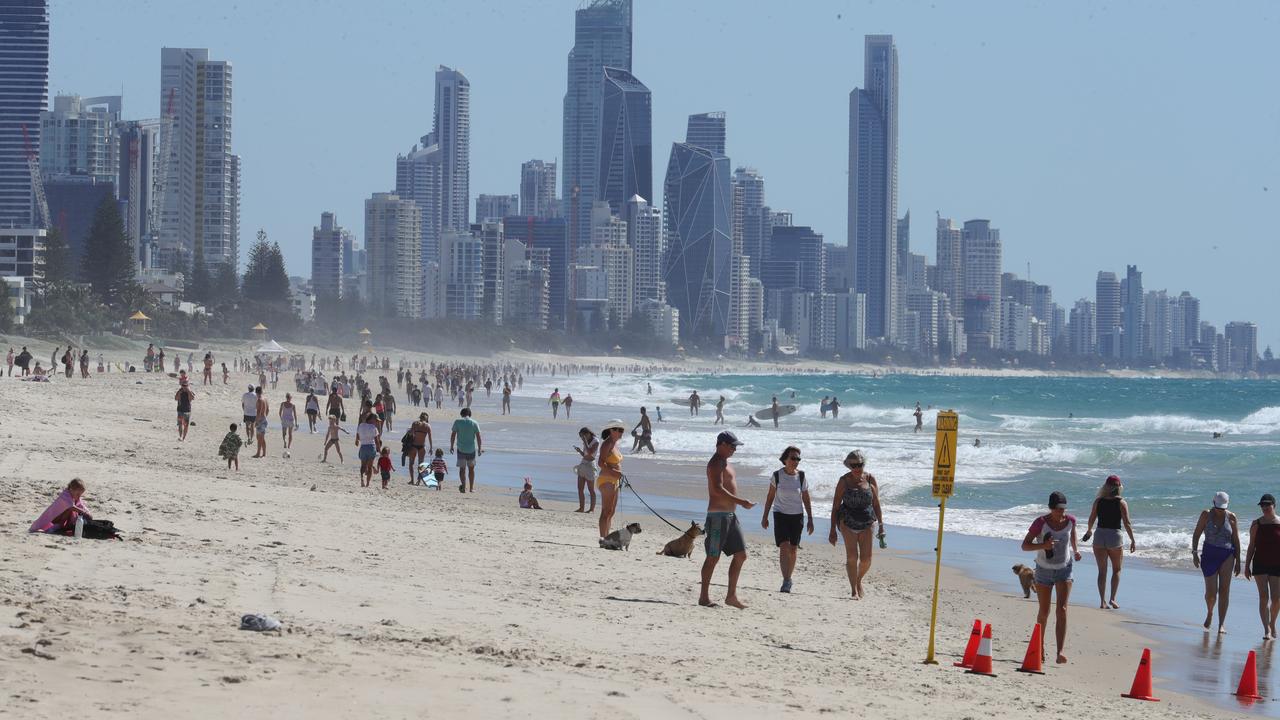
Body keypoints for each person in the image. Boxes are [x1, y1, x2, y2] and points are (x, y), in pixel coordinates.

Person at [1020, 491, 1082, 664]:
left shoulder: (1071, 521)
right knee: (1044, 612)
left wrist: (1076, 550)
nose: (1061, 513)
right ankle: (1039, 648)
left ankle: (1060, 652)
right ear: (1050, 508)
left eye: (1063, 509)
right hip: (1044, 571)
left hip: (1065, 569)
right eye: (1057, 509)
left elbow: (1072, 536)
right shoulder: (1040, 523)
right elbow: (1025, 546)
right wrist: (1044, 545)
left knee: (1061, 610)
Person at [700, 431, 754, 609]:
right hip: (717, 517)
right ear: (722, 444)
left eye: (736, 447)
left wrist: (738, 504)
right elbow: (717, 489)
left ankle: (731, 596)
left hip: (731, 516)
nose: (734, 449)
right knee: (713, 557)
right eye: (732, 446)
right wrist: (742, 502)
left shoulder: (726, 463)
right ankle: (704, 597)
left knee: (741, 555)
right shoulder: (715, 463)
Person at [828, 451, 884, 599]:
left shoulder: (871, 479)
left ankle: (858, 580)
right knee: (852, 557)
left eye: (860, 464)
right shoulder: (843, 481)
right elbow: (835, 506)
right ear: (849, 466)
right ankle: (853, 590)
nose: (857, 468)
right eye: (854, 465)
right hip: (847, 520)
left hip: (867, 521)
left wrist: (882, 525)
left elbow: (876, 504)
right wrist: (832, 529)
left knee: (866, 560)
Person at [761, 446, 814, 593]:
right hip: (780, 514)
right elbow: (770, 497)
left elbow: (806, 498)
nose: (795, 461)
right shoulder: (777, 475)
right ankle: (785, 580)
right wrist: (765, 516)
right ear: (785, 459)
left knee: (793, 548)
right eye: (793, 458)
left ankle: (789, 577)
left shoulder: (801, 476)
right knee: (784, 546)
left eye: (798, 459)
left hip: (797, 516)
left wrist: (810, 518)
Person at [1080, 475, 1137, 609]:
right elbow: (1127, 523)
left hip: (1099, 535)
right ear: (1119, 487)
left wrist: (1089, 531)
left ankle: (1102, 601)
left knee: (1102, 571)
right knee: (1116, 569)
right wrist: (1132, 540)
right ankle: (1112, 599)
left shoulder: (1098, 501)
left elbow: (1091, 518)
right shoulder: (1121, 502)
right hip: (1114, 537)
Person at [1191, 491, 1241, 634]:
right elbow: (1196, 534)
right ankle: (1210, 612)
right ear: (1213, 503)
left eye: (1223, 508)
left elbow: (1236, 539)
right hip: (1209, 554)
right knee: (1211, 593)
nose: (1220, 510)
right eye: (1219, 507)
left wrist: (1238, 561)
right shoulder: (1206, 515)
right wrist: (1194, 553)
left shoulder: (1231, 517)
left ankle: (1221, 625)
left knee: (1224, 590)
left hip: (1227, 555)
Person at [1244, 494, 1280, 640]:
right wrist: (1246, 566)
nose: (1265, 508)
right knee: (1264, 596)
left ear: (1274, 505)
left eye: (1267, 505)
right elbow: (1251, 546)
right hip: (1260, 563)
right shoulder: (1256, 524)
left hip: (1277, 564)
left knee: (1276, 598)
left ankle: (1272, 623)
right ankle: (1266, 630)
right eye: (1262, 505)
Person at [596, 420, 626, 537]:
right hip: (607, 479)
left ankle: (607, 537)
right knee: (606, 511)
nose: (620, 432)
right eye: (617, 430)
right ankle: (603, 538)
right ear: (611, 430)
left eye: (621, 430)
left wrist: (617, 474)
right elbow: (600, 462)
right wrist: (614, 472)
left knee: (611, 511)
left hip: (614, 480)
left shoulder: (614, 444)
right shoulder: (607, 444)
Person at [449, 407, 482, 493]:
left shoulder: (457, 422)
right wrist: (480, 448)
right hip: (471, 449)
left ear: (461, 414)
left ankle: (463, 487)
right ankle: (471, 488)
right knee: (471, 469)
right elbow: (478, 437)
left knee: (462, 469)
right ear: (469, 414)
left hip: (461, 449)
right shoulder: (474, 422)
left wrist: (451, 446)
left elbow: (453, 435)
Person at [573, 426, 598, 513]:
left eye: (582, 436)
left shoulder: (596, 441)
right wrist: (580, 451)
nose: (582, 438)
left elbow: (591, 452)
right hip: (583, 463)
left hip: (590, 465)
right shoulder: (586, 442)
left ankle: (591, 509)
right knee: (580, 488)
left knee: (591, 489)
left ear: (587, 434)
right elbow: (585, 455)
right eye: (581, 437)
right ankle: (581, 508)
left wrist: (585, 441)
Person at [355, 413, 381, 487]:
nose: (376, 422)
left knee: (363, 465)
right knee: (370, 467)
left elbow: (358, 435)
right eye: (375, 420)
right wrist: (379, 450)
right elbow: (377, 441)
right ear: (372, 419)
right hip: (371, 447)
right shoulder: (373, 427)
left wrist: (357, 440)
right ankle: (368, 483)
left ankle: (362, 480)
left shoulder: (361, 425)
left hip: (363, 447)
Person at [252, 387, 270, 458]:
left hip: (260, 419)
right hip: (264, 419)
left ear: (256, 392)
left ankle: (258, 453)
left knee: (259, 438)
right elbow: (268, 409)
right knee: (261, 437)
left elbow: (259, 412)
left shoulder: (259, 400)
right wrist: (265, 417)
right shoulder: (265, 399)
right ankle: (264, 453)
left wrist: (256, 421)